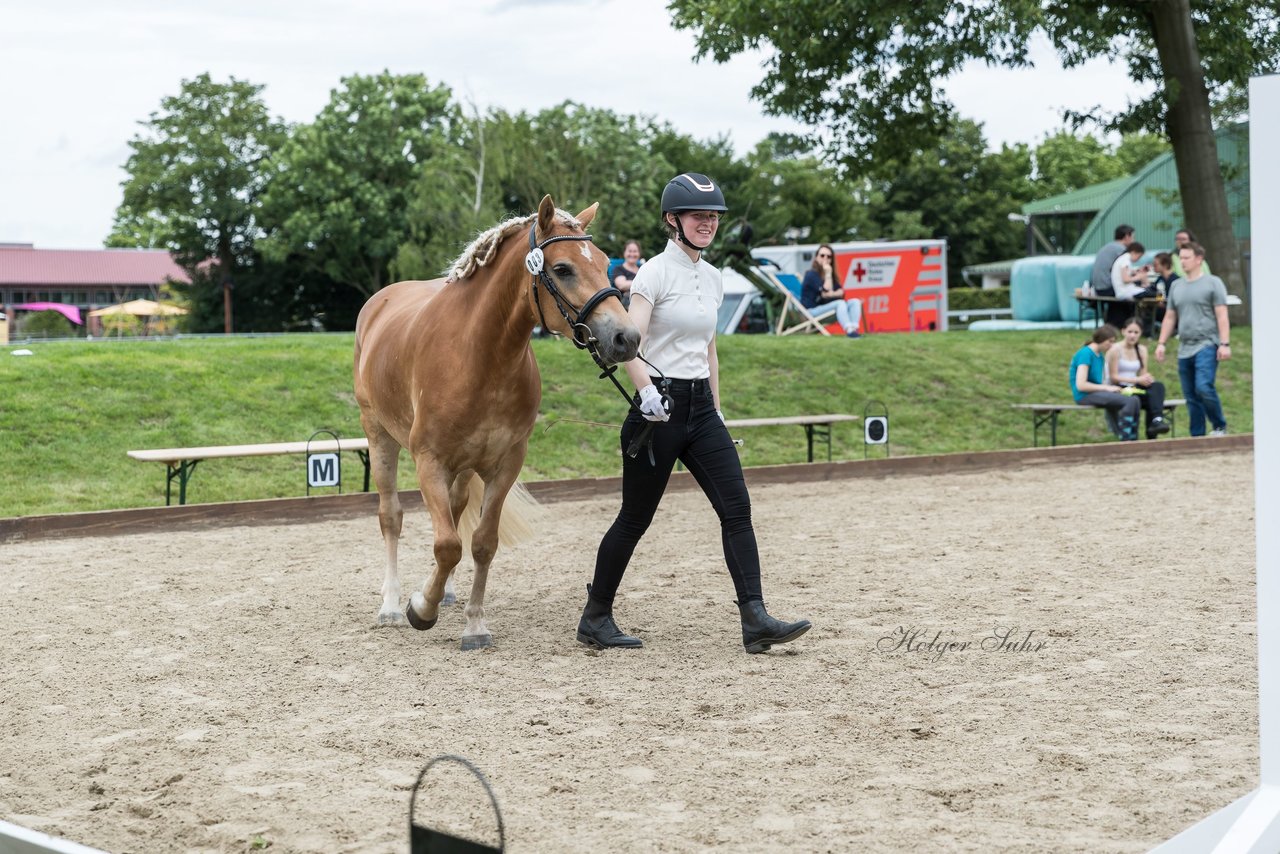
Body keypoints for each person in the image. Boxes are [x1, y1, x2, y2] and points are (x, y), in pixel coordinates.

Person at [577, 172, 812, 654]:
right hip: (657, 408)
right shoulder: (653, 274)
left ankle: (755, 618)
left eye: (713, 217)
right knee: (634, 519)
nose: (707, 223)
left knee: (737, 508)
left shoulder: (714, 277)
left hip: (701, 408)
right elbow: (629, 344)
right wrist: (645, 393)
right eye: (698, 216)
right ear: (673, 220)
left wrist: (718, 411)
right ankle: (595, 616)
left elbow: (710, 349)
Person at [1155, 241, 1231, 436]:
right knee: (1190, 395)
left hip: (1207, 343)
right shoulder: (1177, 286)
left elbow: (1222, 315)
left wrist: (1224, 344)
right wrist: (1161, 343)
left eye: (1186, 258)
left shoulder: (1213, 283)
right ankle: (1197, 436)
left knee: (1203, 387)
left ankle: (1219, 425)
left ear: (1199, 259)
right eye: (1180, 258)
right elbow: (1170, 316)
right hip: (1184, 346)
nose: (1182, 262)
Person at [1069, 324, 1141, 442]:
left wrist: (1112, 388)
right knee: (1128, 401)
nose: (1112, 346)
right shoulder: (1085, 354)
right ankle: (1125, 439)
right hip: (1084, 396)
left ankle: (1134, 439)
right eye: (1110, 342)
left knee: (1135, 400)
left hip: (1095, 393)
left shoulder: (1100, 356)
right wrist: (1106, 388)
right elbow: (1081, 385)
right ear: (1101, 340)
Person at [1105, 317, 1172, 439]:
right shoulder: (1115, 350)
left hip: (1134, 388)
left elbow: (1142, 374)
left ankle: (1156, 421)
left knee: (1157, 387)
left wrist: (1147, 379)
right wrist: (1137, 380)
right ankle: (1150, 432)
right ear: (1123, 331)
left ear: (1141, 333)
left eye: (1136, 332)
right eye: (1130, 332)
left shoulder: (1142, 350)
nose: (1132, 336)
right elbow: (1113, 377)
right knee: (1148, 399)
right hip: (1119, 389)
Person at [800, 243, 863, 338]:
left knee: (855, 301)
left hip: (826, 308)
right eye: (822, 255)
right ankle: (849, 330)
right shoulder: (811, 274)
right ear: (816, 257)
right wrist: (828, 273)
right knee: (840, 303)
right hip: (811, 311)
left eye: (828, 256)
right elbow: (826, 291)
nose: (825, 258)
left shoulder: (832, 275)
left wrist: (831, 293)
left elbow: (841, 292)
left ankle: (854, 329)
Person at [1106, 240, 1155, 327]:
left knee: (1149, 292)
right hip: (1125, 292)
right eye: (1139, 257)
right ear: (1134, 252)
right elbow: (1125, 279)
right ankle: (1148, 325)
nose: (1138, 259)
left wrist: (1137, 271)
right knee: (1152, 292)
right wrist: (1140, 276)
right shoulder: (1126, 261)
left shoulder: (1123, 259)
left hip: (1124, 291)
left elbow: (1126, 274)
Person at [1090, 224, 1135, 297]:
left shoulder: (1107, 246)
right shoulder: (1122, 250)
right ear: (1127, 236)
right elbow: (1126, 274)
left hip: (1096, 288)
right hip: (1108, 288)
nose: (1133, 241)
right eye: (1133, 237)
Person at [612, 240, 643, 308]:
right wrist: (643, 283)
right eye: (629, 251)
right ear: (624, 253)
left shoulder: (642, 268)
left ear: (639, 253)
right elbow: (622, 285)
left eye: (635, 251)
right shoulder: (618, 269)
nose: (632, 254)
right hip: (625, 305)